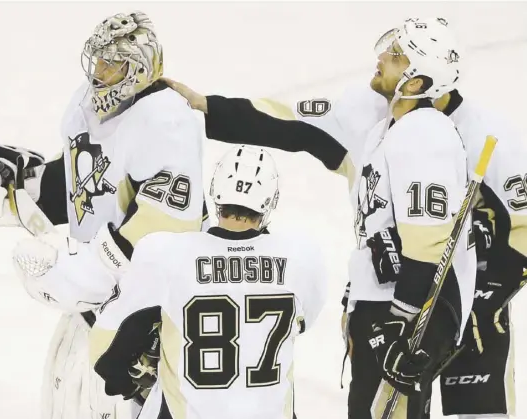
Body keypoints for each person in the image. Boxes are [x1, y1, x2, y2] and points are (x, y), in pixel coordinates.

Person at [164, 17, 479, 418]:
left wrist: (406, 329)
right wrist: (209, 105)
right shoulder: (378, 120)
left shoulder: (426, 136)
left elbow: (430, 246)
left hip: (408, 312)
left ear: (415, 83)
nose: (382, 57)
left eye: (396, 56)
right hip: (380, 304)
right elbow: (293, 125)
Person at [0, 11, 206, 419]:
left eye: (112, 65)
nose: (99, 73)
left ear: (139, 70)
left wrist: (78, 270)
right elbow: (83, 181)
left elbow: (161, 231)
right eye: (97, 61)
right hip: (91, 321)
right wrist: (18, 183)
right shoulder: (89, 104)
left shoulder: (169, 121)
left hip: (145, 339)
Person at [88, 144, 327, 419]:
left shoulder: (165, 254)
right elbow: (303, 321)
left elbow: (105, 349)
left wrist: (130, 384)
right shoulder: (301, 257)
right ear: (269, 202)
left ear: (216, 192)